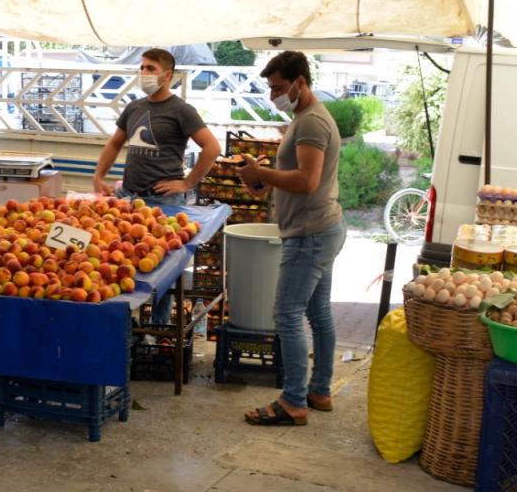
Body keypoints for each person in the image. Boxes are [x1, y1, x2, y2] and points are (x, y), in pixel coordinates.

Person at [236, 51, 344, 426]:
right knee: (318, 314)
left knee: (287, 314)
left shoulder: (311, 122)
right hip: (321, 228)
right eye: (270, 89)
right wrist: (265, 182)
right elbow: (297, 177)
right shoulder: (305, 117)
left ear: (300, 81)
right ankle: (319, 390)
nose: (273, 97)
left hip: (309, 234)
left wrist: (262, 172)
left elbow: (307, 180)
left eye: (279, 88)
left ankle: (294, 401)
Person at [91, 48, 219, 324]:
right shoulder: (134, 107)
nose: (144, 73)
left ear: (167, 75)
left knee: (163, 269)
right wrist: (99, 176)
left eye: (151, 68)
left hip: (164, 202)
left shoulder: (182, 110)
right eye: (142, 68)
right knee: (122, 259)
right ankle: (125, 324)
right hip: (129, 197)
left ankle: (158, 328)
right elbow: (115, 144)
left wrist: (186, 182)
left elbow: (212, 147)